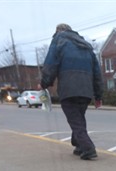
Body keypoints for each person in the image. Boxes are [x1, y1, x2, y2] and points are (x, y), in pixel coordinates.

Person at [40, 24, 103, 160]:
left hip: (69, 89)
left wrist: (44, 83)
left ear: (57, 31)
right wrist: (98, 95)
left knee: (76, 120)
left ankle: (88, 148)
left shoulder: (58, 41)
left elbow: (50, 64)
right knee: (79, 118)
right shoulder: (86, 46)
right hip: (86, 90)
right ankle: (79, 145)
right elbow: (97, 73)